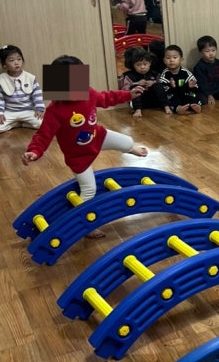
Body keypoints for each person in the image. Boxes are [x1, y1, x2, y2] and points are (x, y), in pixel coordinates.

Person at [22, 56, 148, 236]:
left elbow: (106, 98)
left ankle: (130, 149)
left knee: (127, 141)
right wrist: (34, 151)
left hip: (98, 137)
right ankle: (85, 225)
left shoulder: (88, 92)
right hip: (78, 156)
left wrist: (128, 95)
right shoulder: (55, 110)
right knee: (89, 190)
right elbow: (43, 135)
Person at [0, 44, 45, 133]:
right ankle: (14, 124)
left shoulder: (30, 77)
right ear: (4, 64)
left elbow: (37, 95)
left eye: (19, 59)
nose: (16, 63)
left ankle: (23, 124)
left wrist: (39, 108)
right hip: (9, 112)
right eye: (11, 60)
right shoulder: (0, 80)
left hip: (28, 110)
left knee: (43, 123)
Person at [118, 47, 171, 118]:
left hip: (155, 101)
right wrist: (137, 83)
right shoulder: (129, 75)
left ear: (150, 63)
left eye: (145, 64)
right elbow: (125, 89)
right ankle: (137, 110)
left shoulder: (155, 74)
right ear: (133, 65)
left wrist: (153, 82)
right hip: (139, 101)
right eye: (138, 65)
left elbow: (163, 84)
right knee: (136, 88)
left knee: (158, 85)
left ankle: (166, 106)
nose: (142, 67)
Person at [159, 44, 202, 114]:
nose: (171, 60)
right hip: (173, 95)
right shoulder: (164, 75)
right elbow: (164, 92)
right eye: (168, 58)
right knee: (171, 100)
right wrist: (172, 87)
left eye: (175, 57)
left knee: (193, 96)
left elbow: (196, 87)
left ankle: (196, 106)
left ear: (181, 60)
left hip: (185, 93)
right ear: (164, 60)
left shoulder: (186, 73)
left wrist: (190, 87)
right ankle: (178, 109)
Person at [191, 36, 219, 106]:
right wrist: (209, 94)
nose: (211, 53)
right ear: (201, 53)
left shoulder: (217, 62)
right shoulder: (199, 67)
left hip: (216, 88)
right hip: (203, 90)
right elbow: (202, 83)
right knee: (203, 100)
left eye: (213, 50)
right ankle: (210, 96)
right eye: (207, 51)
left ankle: (213, 96)